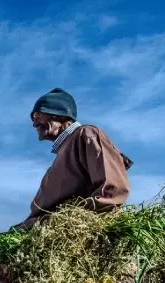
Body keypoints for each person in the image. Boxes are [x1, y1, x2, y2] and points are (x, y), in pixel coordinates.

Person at [16, 88, 132, 229]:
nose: (34, 123)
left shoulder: (86, 135)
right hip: (39, 229)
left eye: (38, 115)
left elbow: (112, 191)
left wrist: (71, 223)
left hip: (64, 229)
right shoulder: (62, 154)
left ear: (59, 115)